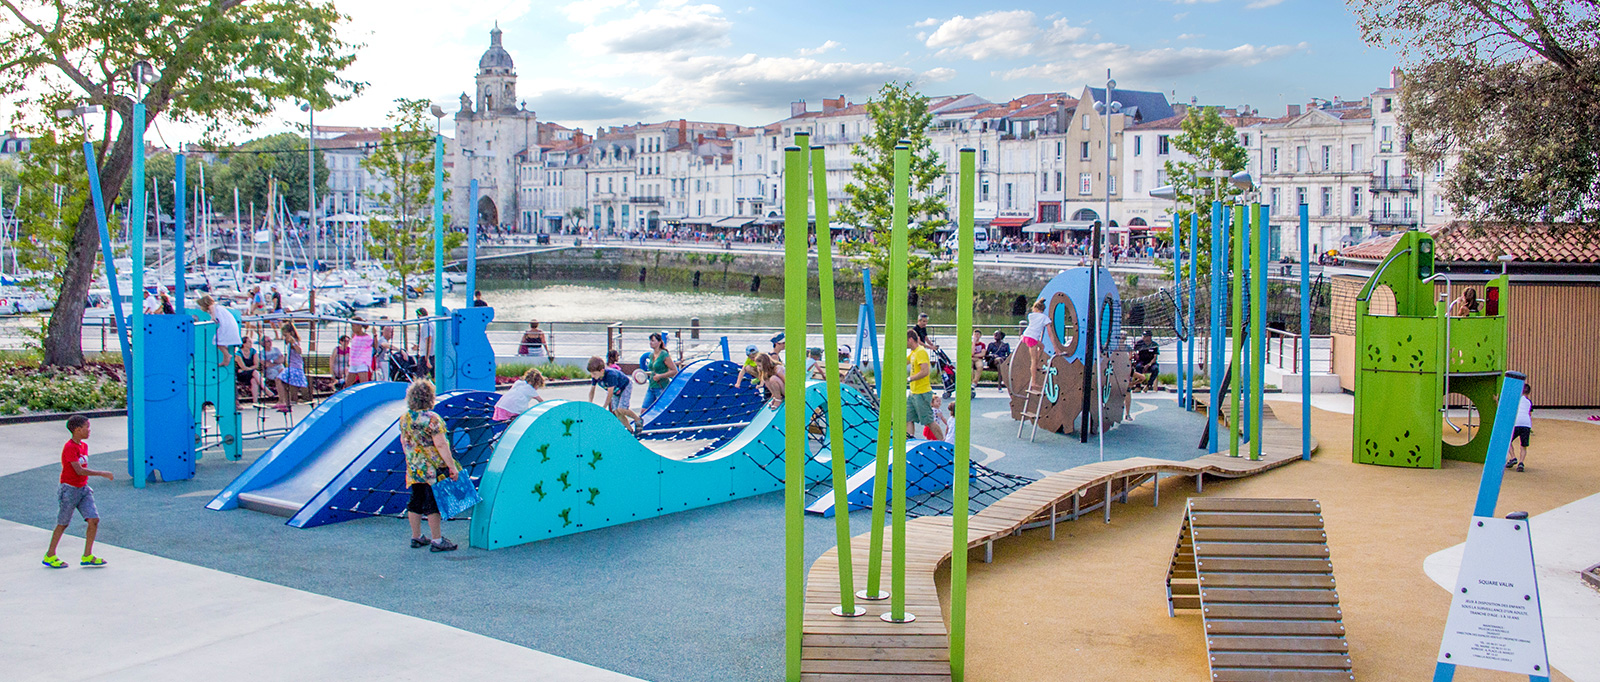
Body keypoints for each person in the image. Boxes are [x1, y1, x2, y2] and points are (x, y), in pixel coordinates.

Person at [397, 379, 461, 552]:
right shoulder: (432, 419)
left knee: (415, 499)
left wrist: (411, 459)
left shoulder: (405, 418)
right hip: (432, 467)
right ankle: (437, 540)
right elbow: (441, 444)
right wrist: (451, 466)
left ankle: (416, 536)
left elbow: (404, 441)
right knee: (433, 502)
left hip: (414, 466)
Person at [43, 414, 113, 569]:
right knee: (63, 523)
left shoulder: (83, 446)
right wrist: (102, 473)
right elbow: (79, 471)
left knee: (93, 520)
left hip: (83, 490)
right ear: (77, 429)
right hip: (69, 490)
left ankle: (87, 555)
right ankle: (50, 555)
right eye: (86, 427)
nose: (89, 430)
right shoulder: (70, 447)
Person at [587, 356, 640, 430]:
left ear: (602, 371)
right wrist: (590, 403)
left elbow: (610, 394)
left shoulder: (610, 375)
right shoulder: (596, 377)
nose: (592, 376)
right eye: (591, 374)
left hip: (625, 386)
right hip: (616, 391)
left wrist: (604, 407)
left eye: (594, 374)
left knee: (622, 409)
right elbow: (592, 390)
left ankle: (637, 419)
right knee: (617, 412)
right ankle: (629, 429)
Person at [906, 329, 938, 440]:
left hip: (922, 392)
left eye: (905, 341)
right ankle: (909, 441)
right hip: (913, 392)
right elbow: (903, 361)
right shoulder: (913, 352)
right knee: (908, 418)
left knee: (928, 421)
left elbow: (925, 371)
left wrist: (909, 379)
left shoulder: (920, 351)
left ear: (910, 339)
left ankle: (942, 441)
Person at [197, 294, 241, 368]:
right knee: (223, 342)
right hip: (229, 324)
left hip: (226, 325)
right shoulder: (219, 307)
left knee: (217, 341)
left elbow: (211, 307)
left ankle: (227, 355)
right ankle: (225, 358)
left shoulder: (213, 306)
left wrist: (213, 317)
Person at [642, 332, 679, 411]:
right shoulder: (651, 355)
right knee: (644, 409)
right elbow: (653, 370)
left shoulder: (664, 354)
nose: (650, 343)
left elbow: (674, 371)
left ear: (659, 342)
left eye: (653, 341)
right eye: (650, 341)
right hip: (652, 385)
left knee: (661, 409)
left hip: (661, 386)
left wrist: (660, 376)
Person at [276, 321, 308, 413]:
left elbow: (299, 351)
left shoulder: (295, 342)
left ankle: (282, 401)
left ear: (291, 333)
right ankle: (287, 403)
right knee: (285, 385)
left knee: (279, 380)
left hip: (295, 367)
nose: (285, 337)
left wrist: (293, 342)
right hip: (291, 366)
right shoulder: (289, 343)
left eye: (286, 335)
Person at [1021, 299, 1050, 391]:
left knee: (1041, 347)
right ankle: (1034, 382)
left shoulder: (1031, 316)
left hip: (1027, 335)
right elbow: (1048, 328)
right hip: (1032, 338)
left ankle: (1036, 365)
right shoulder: (1044, 318)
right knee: (1033, 360)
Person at [1506, 383, 1533, 472]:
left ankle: (1513, 457)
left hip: (1516, 423)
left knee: (1508, 441)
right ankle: (1521, 463)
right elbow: (1529, 414)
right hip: (1526, 424)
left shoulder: (1515, 400)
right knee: (1523, 446)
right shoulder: (1529, 402)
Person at [235, 335, 264, 404]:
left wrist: (250, 369)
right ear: (244, 344)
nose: (251, 344)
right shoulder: (238, 354)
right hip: (242, 374)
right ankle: (265, 388)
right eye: (249, 342)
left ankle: (255, 401)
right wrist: (250, 369)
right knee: (255, 372)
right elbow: (243, 367)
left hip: (251, 373)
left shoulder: (253, 351)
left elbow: (256, 365)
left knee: (254, 380)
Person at [345, 319, 374, 386]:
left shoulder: (367, 338)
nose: (352, 328)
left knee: (363, 384)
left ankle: (365, 395)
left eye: (353, 326)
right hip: (353, 363)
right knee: (348, 384)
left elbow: (374, 346)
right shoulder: (354, 336)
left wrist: (374, 335)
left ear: (359, 326)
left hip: (362, 363)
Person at [415, 307, 434, 377]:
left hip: (425, 355)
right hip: (432, 354)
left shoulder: (425, 325)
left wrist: (427, 358)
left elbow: (429, 340)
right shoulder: (432, 324)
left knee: (420, 376)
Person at [970, 329, 987, 397]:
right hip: (971, 359)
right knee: (970, 367)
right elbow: (971, 353)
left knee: (980, 366)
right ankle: (970, 382)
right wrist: (973, 342)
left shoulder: (982, 344)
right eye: (975, 334)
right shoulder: (970, 343)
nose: (976, 336)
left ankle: (975, 382)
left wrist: (975, 355)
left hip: (978, 359)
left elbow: (983, 354)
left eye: (978, 335)